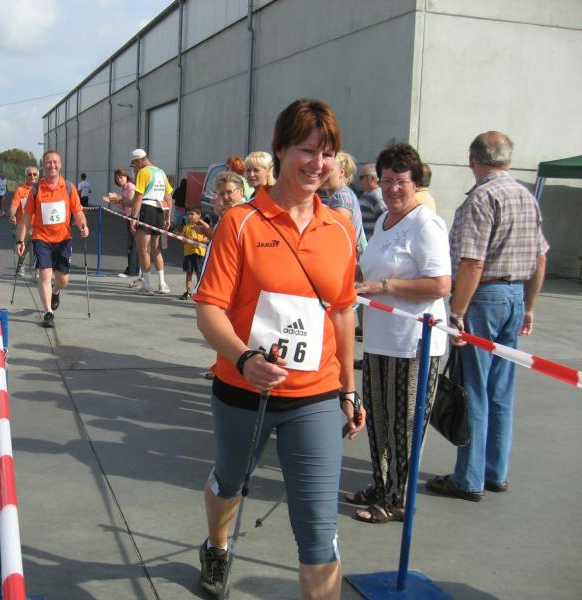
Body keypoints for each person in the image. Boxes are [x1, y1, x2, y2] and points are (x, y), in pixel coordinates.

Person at [193, 98, 363, 599]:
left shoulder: (341, 229)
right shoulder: (241, 222)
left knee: (318, 535)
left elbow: (342, 313)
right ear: (281, 150)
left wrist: (349, 390)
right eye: (307, 150)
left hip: (315, 397)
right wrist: (244, 358)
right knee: (229, 482)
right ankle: (217, 545)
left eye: (327, 153)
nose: (317, 163)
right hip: (243, 392)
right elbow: (209, 308)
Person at [426, 131, 548, 502]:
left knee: (473, 389)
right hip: (514, 294)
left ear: (473, 159)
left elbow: (473, 262)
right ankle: (495, 471)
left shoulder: (481, 198)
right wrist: (529, 305)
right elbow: (540, 257)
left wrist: (457, 313)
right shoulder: (527, 196)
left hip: (484, 298)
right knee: (500, 391)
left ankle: (469, 478)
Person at [347, 142, 451, 523]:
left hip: (413, 343)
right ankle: (381, 485)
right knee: (378, 418)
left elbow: (440, 284)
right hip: (379, 338)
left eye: (400, 181)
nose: (392, 188)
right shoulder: (385, 222)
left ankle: (397, 499)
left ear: (415, 183)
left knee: (404, 425)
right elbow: (368, 270)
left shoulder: (425, 223)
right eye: (387, 180)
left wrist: (385, 287)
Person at [15, 149, 89, 328]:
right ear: (43, 165)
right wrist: (20, 240)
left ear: (60, 165)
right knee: (45, 273)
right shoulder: (36, 189)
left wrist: (83, 225)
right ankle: (48, 312)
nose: (52, 165)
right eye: (48, 162)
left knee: (63, 278)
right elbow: (26, 217)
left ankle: (55, 291)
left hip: (63, 239)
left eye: (55, 162)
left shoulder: (69, 188)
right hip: (41, 238)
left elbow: (78, 211)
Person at [129, 148, 173, 296]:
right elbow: (169, 197)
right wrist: (168, 218)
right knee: (156, 248)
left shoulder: (143, 172)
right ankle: (162, 283)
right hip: (160, 211)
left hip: (146, 209)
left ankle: (147, 285)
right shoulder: (161, 172)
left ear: (139, 161)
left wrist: (133, 217)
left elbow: (138, 196)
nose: (134, 168)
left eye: (134, 164)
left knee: (143, 249)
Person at [318, 151, 367, 257]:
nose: (323, 174)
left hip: (350, 258)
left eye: (329, 170)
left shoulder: (341, 196)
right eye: (321, 170)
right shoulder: (342, 194)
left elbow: (336, 230)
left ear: (342, 172)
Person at [102, 168, 140, 279]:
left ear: (126, 177)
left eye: (121, 177)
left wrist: (118, 198)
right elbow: (124, 206)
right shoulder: (124, 187)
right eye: (117, 178)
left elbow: (132, 202)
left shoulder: (129, 186)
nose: (119, 179)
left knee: (132, 245)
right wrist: (112, 201)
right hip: (130, 217)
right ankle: (134, 269)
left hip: (134, 217)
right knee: (132, 244)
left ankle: (132, 270)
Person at [9, 165, 41, 277]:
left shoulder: (41, 189)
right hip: (23, 225)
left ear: (38, 176)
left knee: (38, 249)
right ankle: (20, 267)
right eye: (29, 174)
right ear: (26, 176)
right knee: (23, 247)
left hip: (38, 225)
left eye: (34, 174)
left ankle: (37, 271)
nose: (32, 176)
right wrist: (12, 215)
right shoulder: (20, 190)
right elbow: (14, 205)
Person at [197, 171, 248, 240]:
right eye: (222, 193)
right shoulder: (229, 209)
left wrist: (206, 231)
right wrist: (211, 227)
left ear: (241, 191)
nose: (225, 197)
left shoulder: (241, 213)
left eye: (229, 192)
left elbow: (226, 240)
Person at [179, 206, 208, 300]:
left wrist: (200, 240)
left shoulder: (203, 227)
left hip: (199, 253)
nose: (190, 216)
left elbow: (207, 239)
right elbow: (183, 240)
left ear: (199, 215)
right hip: (188, 253)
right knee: (189, 273)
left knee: (199, 272)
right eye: (188, 214)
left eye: (192, 214)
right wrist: (186, 239)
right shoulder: (186, 228)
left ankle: (200, 291)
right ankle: (188, 292)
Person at [357, 163, 386, 241]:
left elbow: (385, 220)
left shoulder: (376, 196)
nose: (359, 181)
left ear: (371, 178)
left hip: (373, 242)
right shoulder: (367, 194)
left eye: (361, 177)